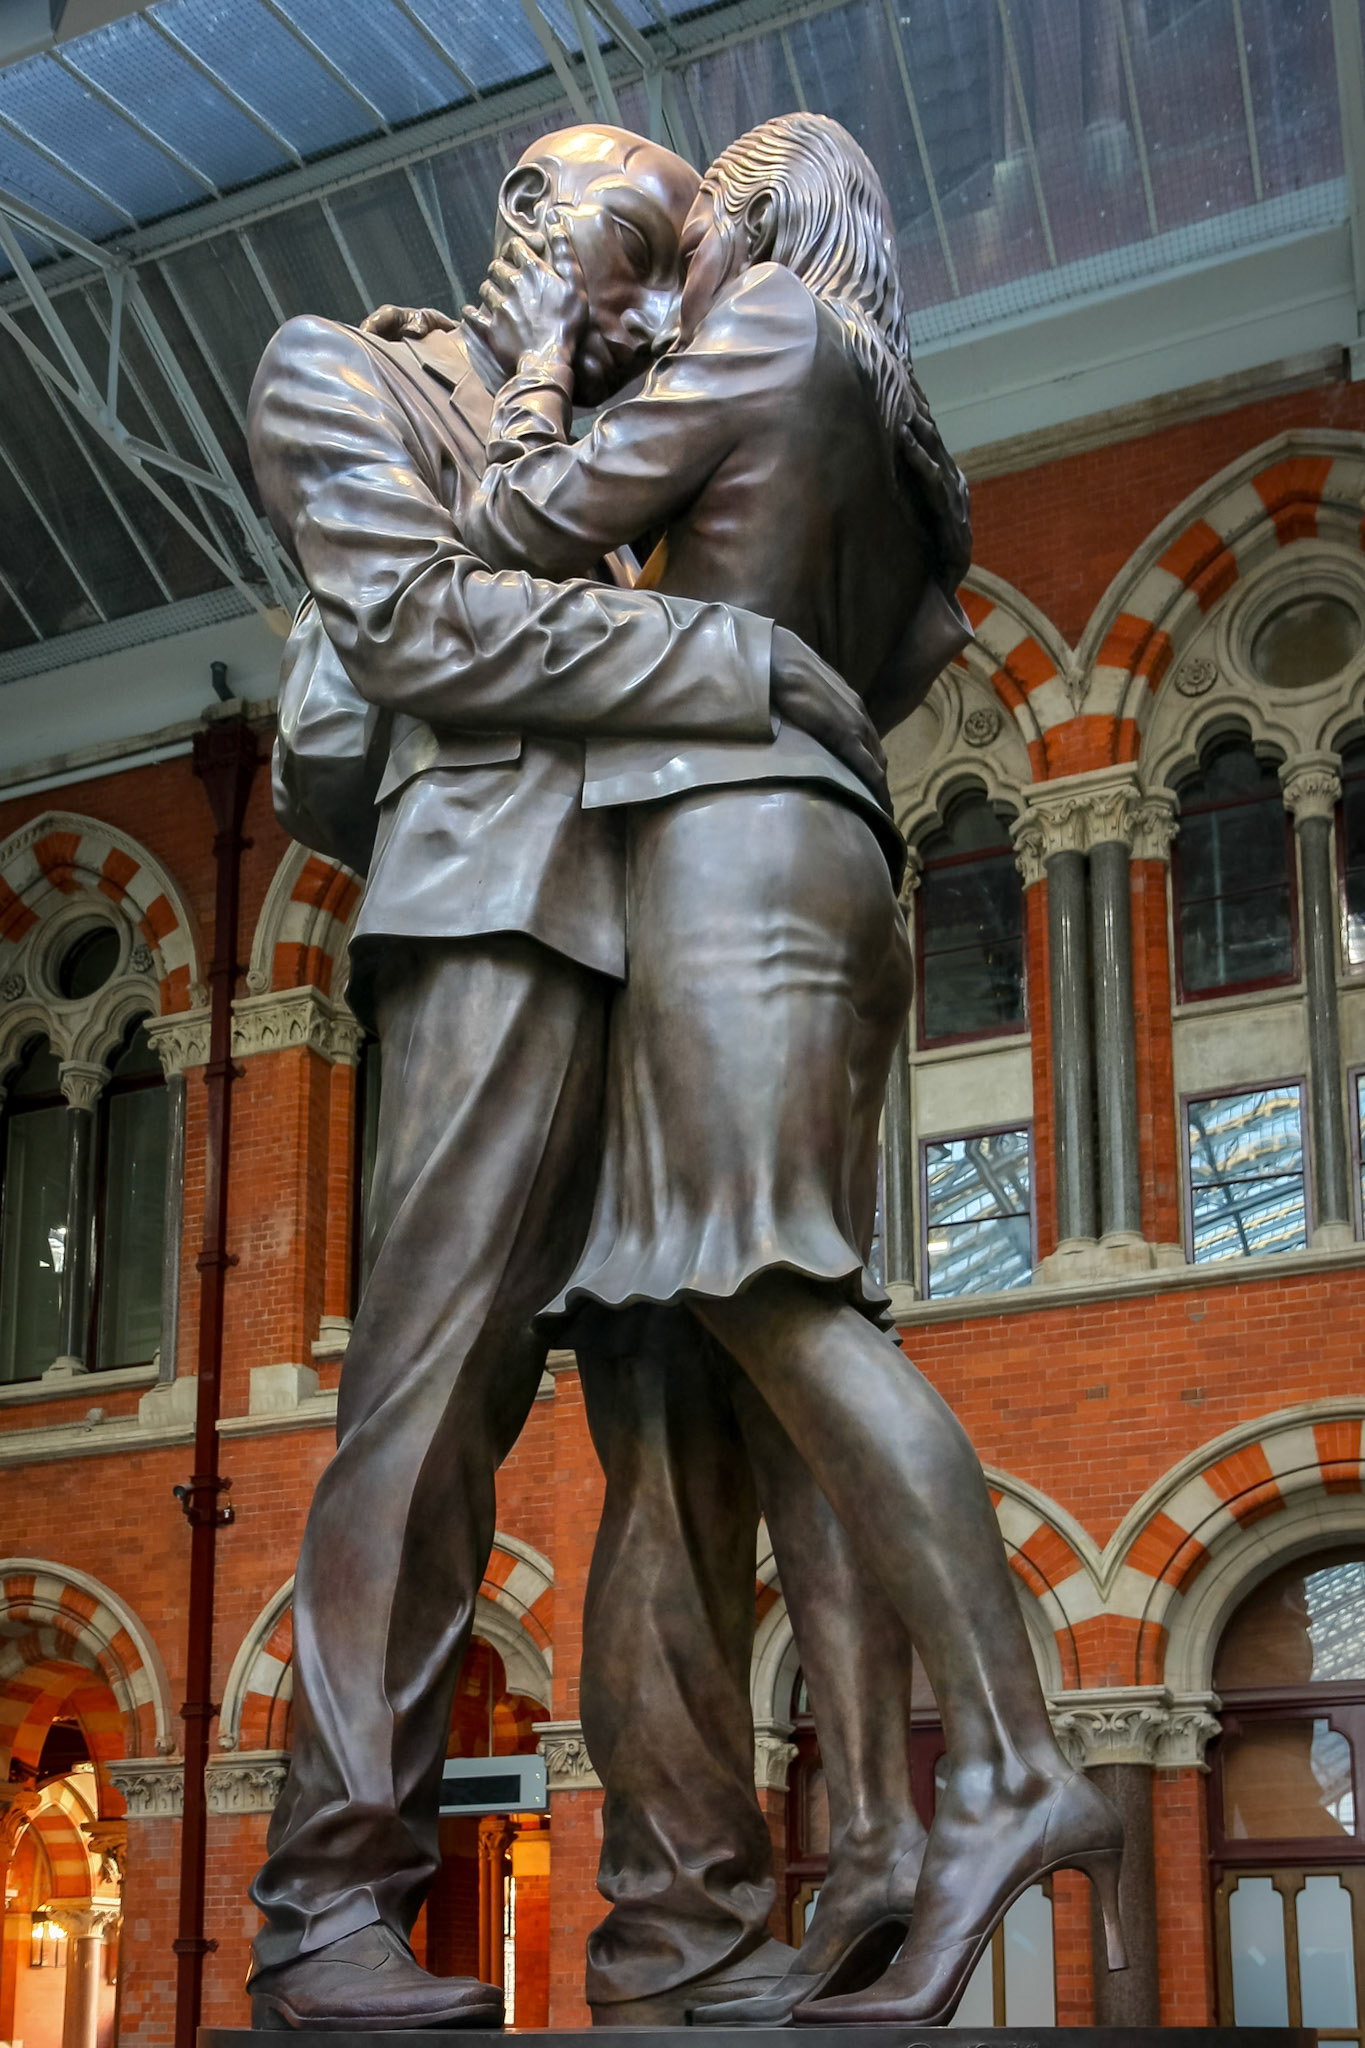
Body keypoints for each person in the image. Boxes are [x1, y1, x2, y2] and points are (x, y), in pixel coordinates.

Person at [245, 123, 926, 2031]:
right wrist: (731, 665)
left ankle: (684, 1932)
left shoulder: (647, 438)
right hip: (499, 914)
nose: (650, 303)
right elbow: (410, 626)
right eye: (630, 251)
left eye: (674, 263)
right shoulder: (344, 370)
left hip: (688, 934)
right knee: (434, 1385)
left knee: (689, 1437)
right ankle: (325, 1914)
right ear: (535, 234)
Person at [459, 110, 1127, 2028]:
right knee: (776, 1325)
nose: (670, 284)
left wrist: (539, 374)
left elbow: (522, 533)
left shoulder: (766, 338)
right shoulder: (902, 446)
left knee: (778, 1304)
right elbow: (905, 650)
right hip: (835, 846)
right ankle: (885, 1845)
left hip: (732, 846)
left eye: (692, 244)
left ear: (755, 223)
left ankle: (1003, 1770)